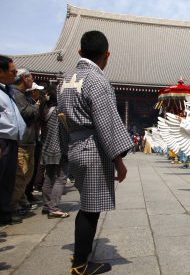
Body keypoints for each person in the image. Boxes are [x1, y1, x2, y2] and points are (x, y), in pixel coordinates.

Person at [57, 31, 133, 274]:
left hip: (74, 145)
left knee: (87, 204)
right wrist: (118, 161)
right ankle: (80, 265)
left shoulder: (66, 79)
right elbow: (106, 122)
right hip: (92, 148)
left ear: (80, 52)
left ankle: (80, 258)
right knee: (90, 210)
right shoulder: (96, 80)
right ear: (106, 54)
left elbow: (60, 120)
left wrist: (65, 151)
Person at [10, 69, 40, 216]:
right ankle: (12, 206)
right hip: (22, 141)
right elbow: (28, 113)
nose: (32, 80)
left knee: (27, 174)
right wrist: (37, 105)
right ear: (24, 78)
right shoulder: (16, 94)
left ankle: (20, 200)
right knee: (20, 174)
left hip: (28, 140)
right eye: (31, 77)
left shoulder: (23, 95)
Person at [0, 55, 26, 225]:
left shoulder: (7, 91)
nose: (15, 75)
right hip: (2, 141)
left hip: (11, 141)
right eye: (12, 71)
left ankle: (4, 214)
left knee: (7, 180)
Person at [40, 86, 69, 218]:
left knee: (49, 176)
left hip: (47, 147)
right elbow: (63, 132)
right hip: (58, 147)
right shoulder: (58, 111)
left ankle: (46, 205)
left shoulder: (46, 110)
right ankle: (53, 207)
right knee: (61, 177)